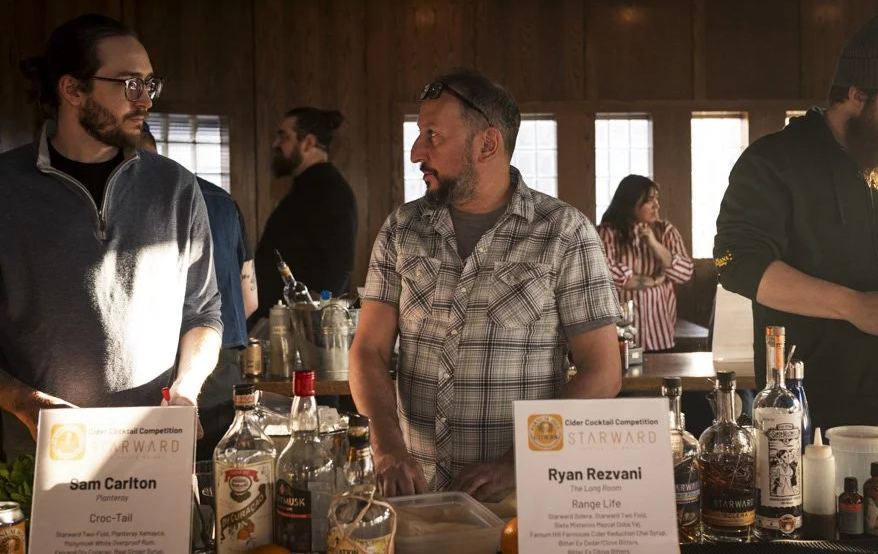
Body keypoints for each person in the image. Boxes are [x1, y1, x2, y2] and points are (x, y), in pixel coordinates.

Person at [349, 68, 623, 502]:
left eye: (432, 136)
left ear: (487, 144)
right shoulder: (403, 228)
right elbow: (368, 350)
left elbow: (603, 372)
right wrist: (387, 449)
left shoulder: (564, 231)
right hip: (416, 494)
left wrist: (523, 462)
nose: (416, 152)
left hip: (521, 501)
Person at [0, 14, 222, 459]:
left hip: (155, 445)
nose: (146, 100)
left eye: (150, 84)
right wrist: (23, 402)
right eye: (129, 84)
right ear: (73, 90)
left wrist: (187, 388)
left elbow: (204, 313)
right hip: (40, 454)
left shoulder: (175, 187)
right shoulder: (6, 187)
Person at [714, 10, 878, 433]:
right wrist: (853, 305)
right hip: (808, 408)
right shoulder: (774, 161)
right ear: (857, 94)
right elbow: (736, 262)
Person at [140, 125, 258, 459]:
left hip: (145, 382)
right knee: (216, 481)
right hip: (218, 373)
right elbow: (250, 300)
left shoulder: (132, 199)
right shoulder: (222, 201)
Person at [252, 107, 358, 326]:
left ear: (308, 143)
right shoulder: (308, 186)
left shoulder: (329, 189)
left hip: (304, 327)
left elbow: (339, 264)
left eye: (283, 137)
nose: (275, 144)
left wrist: (313, 319)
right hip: (285, 321)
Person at [597, 175, 694, 352]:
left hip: (661, 337)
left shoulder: (666, 231)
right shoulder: (607, 233)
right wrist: (655, 281)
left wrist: (654, 244)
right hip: (622, 340)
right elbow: (611, 276)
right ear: (631, 203)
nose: (656, 205)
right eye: (650, 200)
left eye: (657, 198)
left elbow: (685, 273)